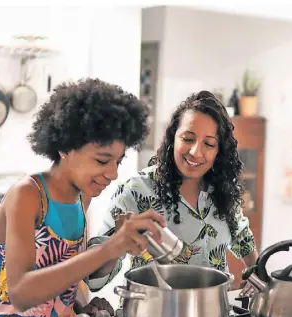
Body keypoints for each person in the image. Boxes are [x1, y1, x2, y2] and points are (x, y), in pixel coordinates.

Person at [0, 78, 166, 317]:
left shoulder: (81, 198)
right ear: (65, 147)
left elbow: (68, 276)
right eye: (102, 160)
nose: (111, 174)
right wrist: (110, 247)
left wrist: (82, 305)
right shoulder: (28, 195)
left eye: (118, 162)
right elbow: (20, 293)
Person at [97, 90, 259, 282]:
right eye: (188, 139)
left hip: (212, 309)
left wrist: (258, 278)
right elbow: (95, 277)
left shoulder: (222, 191)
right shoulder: (136, 190)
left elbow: (244, 241)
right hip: (151, 308)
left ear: (219, 151)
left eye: (208, 144)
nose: (196, 152)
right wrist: (118, 244)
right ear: (173, 138)